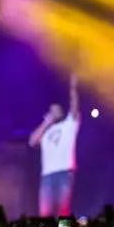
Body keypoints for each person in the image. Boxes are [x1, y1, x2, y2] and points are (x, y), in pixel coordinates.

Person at [29, 73, 81, 217]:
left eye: (56, 110)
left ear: (62, 112)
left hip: (64, 173)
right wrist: (46, 123)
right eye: (51, 110)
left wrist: (73, 88)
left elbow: (74, 107)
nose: (54, 112)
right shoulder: (45, 131)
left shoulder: (68, 125)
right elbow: (32, 141)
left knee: (63, 211)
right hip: (47, 176)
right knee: (45, 213)